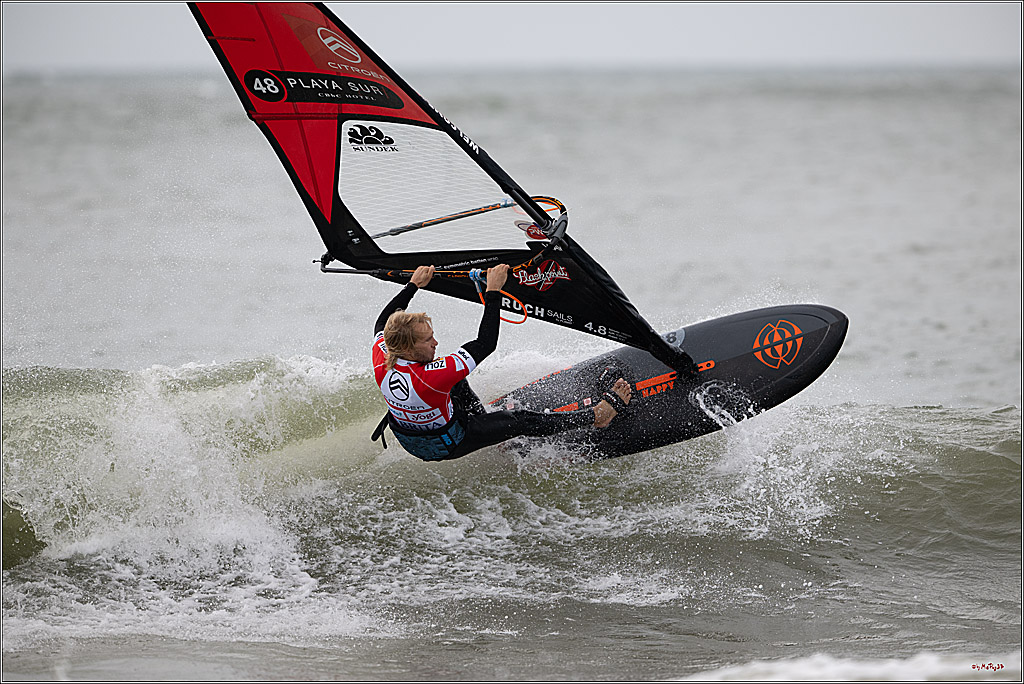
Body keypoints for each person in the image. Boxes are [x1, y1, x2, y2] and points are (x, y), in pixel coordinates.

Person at [371, 264, 632, 461]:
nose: (435, 342)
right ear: (407, 347)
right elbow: (485, 343)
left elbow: (381, 323)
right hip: (448, 443)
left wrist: (413, 285)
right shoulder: (433, 377)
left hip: (410, 438)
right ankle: (598, 416)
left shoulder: (382, 357)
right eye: (427, 340)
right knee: (519, 420)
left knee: (456, 374)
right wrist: (493, 290)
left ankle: (487, 423)